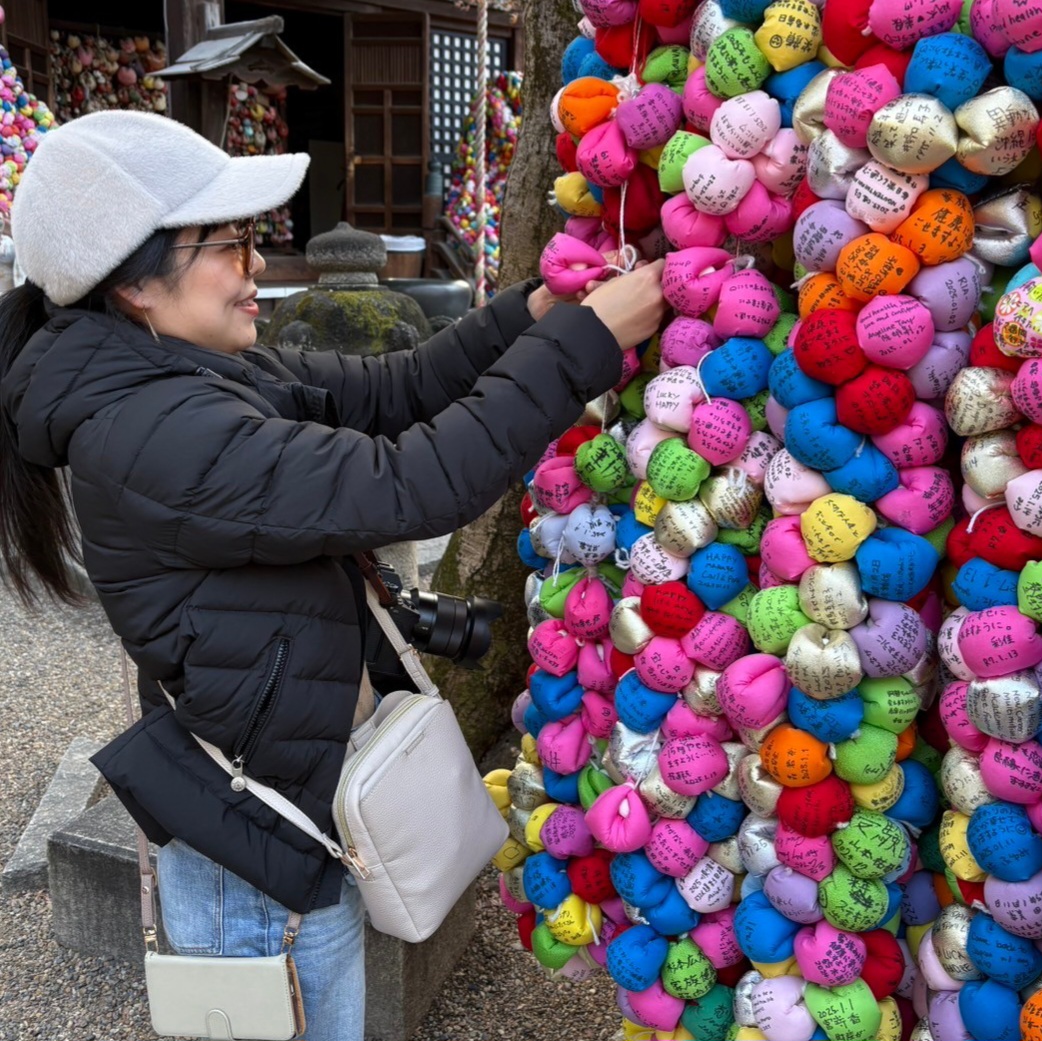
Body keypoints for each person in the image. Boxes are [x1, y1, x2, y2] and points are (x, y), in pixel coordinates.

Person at [0, 110, 666, 1040]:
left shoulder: (185, 375)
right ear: (135, 282)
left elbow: (392, 393)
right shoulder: (156, 431)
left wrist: (532, 315)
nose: (258, 265)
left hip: (282, 824)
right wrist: (584, 345)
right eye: (229, 245)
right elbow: (415, 482)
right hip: (259, 872)